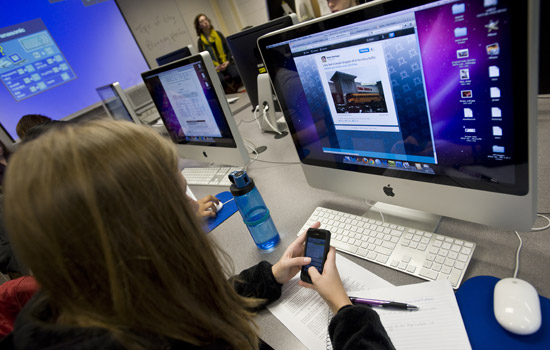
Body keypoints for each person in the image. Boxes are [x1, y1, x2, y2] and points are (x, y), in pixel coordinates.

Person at [2, 120, 394, 349]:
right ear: (144, 235)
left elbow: (172, 300)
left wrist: (271, 276)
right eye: (180, 200)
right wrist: (346, 311)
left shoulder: (83, 306)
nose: (196, 209)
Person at [194, 13, 242, 93]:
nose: (205, 22)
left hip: (226, 62)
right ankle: (231, 93)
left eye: (206, 19)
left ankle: (233, 91)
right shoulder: (200, 41)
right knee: (220, 81)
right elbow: (202, 58)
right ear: (199, 26)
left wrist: (227, 61)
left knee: (237, 74)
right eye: (202, 21)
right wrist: (215, 67)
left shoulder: (218, 34)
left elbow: (228, 50)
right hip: (215, 68)